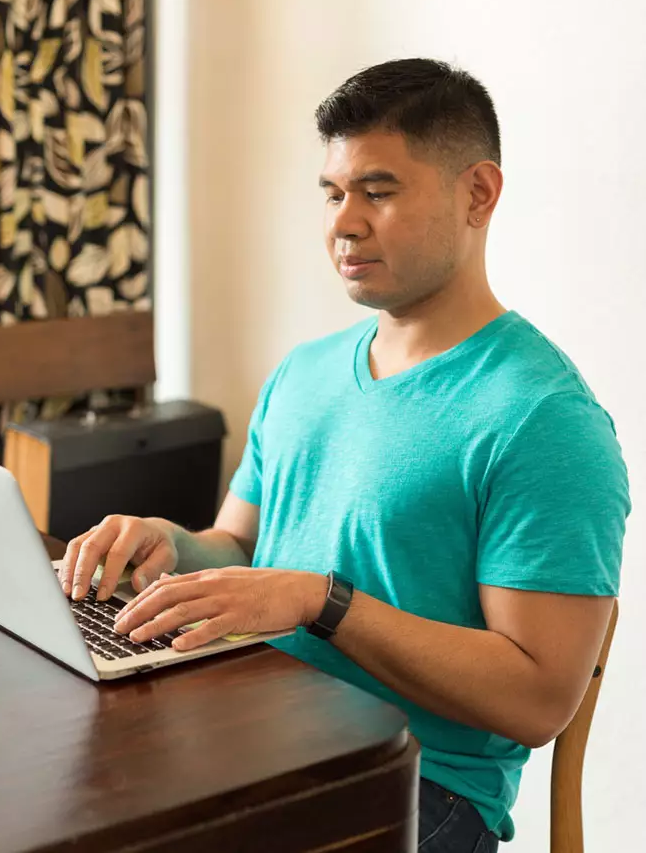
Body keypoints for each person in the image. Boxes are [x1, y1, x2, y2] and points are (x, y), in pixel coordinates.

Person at [59, 59, 631, 851]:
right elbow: (243, 547)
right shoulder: (306, 371)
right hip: (257, 727)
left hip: (417, 785)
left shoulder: (544, 419)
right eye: (332, 193)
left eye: (380, 191)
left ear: (478, 194)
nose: (343, 223)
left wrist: (322, 602)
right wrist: (170, 548)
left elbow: (537, 699)